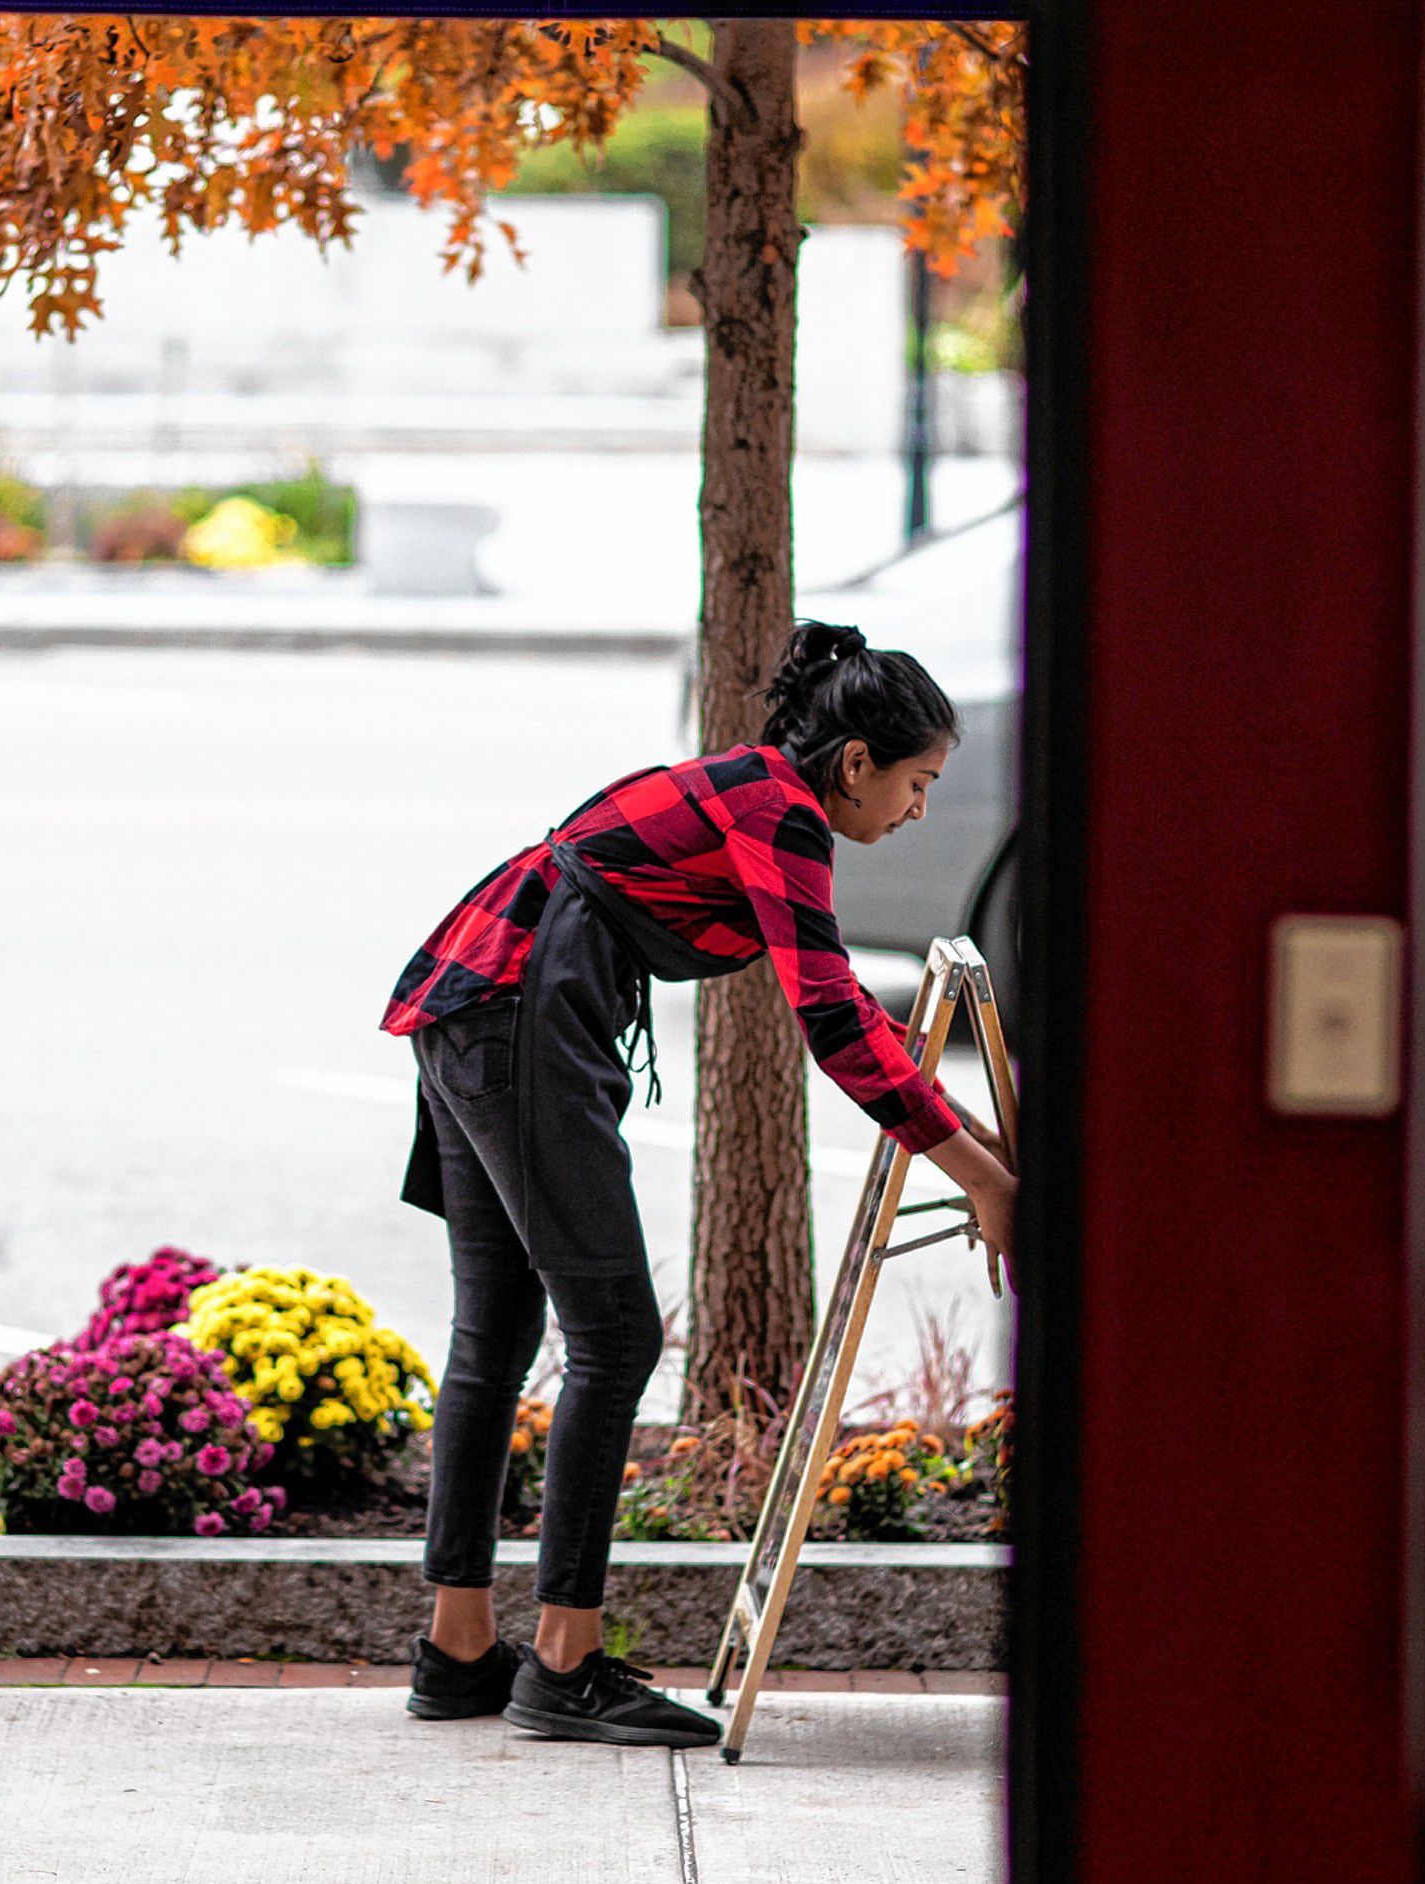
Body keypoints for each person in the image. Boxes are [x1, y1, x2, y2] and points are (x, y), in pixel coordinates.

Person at [382, 621, 1019, 1747]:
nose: (920, 809)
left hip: (473, 1001)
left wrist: (983, 1153)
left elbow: (854, 1016)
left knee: (497, 1329)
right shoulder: (781, 809)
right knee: (614, 1335)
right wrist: (978, 1172)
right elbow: (832, 1018)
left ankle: (461, 1646)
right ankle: (565, 1662)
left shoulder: (753, 786)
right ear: (857, 764)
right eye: (918, 781)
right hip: (515, 1012)